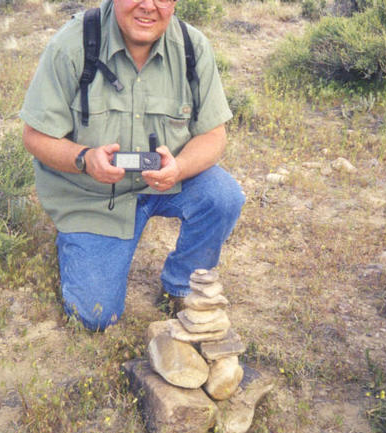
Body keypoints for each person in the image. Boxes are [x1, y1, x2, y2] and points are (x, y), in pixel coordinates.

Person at [20, 0, 245, 331]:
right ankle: (80, 243)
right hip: (92, 196)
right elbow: (35, 137)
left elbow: (214, 135)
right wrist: (84, 159)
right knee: (94, 317)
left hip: (166, 184)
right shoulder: (72, 44)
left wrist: (179, 168)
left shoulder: (191, 46)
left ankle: (182, 285)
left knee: (224, 195)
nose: (149, 7)